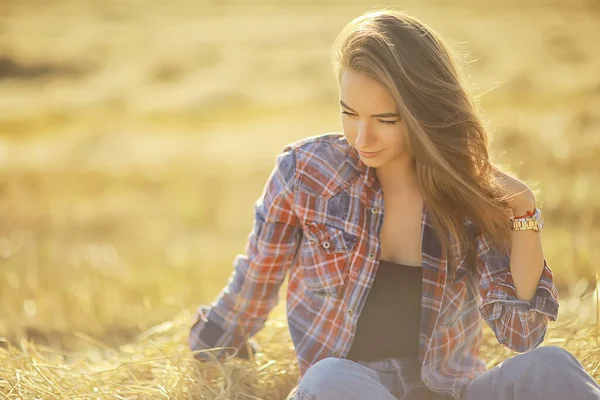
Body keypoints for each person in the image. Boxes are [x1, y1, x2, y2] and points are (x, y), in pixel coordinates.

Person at [189, 9, 600, 400]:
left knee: (550, 365)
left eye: (385, 120)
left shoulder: (470, 197)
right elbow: (254, 283)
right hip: (344, 391)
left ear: (424, 113)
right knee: (329, 376)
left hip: (451, 391)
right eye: (349, 113)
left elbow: (522, 334)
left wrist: (523, 211)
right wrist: (208, 349)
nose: (362, 137)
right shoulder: (307, 173)